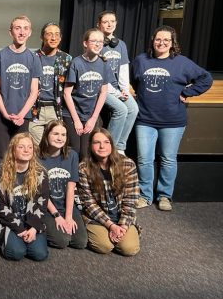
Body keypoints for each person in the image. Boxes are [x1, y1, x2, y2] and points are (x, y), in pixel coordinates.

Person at [132, 26, 213, 211]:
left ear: (172, 43)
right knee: (144, 159)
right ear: (153, 41)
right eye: (158, 39)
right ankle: (145, 196)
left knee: (168, 159)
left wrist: (188, 92)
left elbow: (206, 78)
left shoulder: (182, 62)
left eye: (166, 40)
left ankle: (164, 196)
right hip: (145, 119)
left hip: (173, 121)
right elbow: (134, 80)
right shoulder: (141, 60)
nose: (161, 43)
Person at [78, 128, 140, 256]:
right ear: (90, 145)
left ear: (112, 144)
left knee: (129, 249)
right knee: (104, 246)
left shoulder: (127, 164)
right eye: (97, 142)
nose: (102, 146)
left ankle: (121, 233)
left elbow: (131, 199)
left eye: (106, 142)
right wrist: (111, 226)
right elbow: (88, 203)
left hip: (121, 215)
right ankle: (105, 232)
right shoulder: (83, 168)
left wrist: (122, 226)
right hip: (97, 217)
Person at [0, 15, 41, 161]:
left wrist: (22, 115)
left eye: (25, 29)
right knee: (1, 158)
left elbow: (34, 92)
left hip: (23, 117)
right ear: (10, 32)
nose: (21, 32)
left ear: (30, 32)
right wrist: (5, 114)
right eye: (17, 28)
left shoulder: (33, 58)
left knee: (20, 158)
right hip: (0, 116)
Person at [0, 132, 49, 261]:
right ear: (13, 150)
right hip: (9, 221)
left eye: (30, 147)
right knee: (16, 252)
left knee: (39, 254)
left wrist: (34, 228)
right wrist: (19, 229)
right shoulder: (0, 173)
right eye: (21, 147)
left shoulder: (41, 174)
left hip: (31, 221)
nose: (26, 150)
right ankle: (1, 240)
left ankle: (29, 236)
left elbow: (42, 205)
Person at [62, 28, 113, 159]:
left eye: (100, 41)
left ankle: (83, 179)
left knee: (86, 153)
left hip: (90, 115)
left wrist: (93, 118)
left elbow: (103, 92)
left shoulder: (104, 64)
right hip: (72, 114)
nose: (97, 44)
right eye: (94, 41)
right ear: (85, 43)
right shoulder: (76, 63)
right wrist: (77, 120)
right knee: (76, 150)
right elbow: (67, 94)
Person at [38, 120, 87, 249]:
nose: (60, 138)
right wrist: (57, 216)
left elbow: (71, 188)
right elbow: (40, 193)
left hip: (66, 205)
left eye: (63, 135)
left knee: (80, 242)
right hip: (47, 207)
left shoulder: (72, 155)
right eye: (55, 134)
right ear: (47, 135)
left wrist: (68, 216)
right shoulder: (37, 158)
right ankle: (39, 228)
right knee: (62, 241)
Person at [96, 11, 138, 155]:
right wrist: (116, 93)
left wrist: (125, 90)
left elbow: (123, 69)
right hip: (102, 88)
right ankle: (109, 147)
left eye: (112, 21)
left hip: (117, 88)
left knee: (133, 109)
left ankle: (119, 147)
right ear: (99, 24)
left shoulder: (121, 45)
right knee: (122, 110)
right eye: (105, 21)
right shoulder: (96, 44)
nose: (109, 24)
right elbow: (98, 76)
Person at [29, 22, 72, 145]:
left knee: (52, 147)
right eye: (49, 34)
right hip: (35, 110)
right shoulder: (33, 58)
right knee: (36, 148)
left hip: (56, 110)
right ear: (42, 37)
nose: (53, 38)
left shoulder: (66, 59)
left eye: (57, 34)